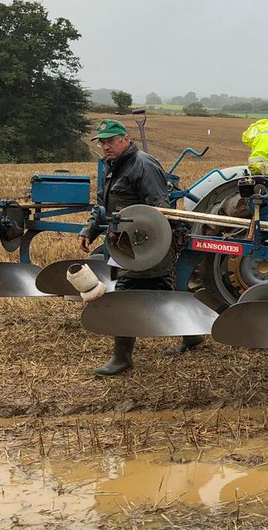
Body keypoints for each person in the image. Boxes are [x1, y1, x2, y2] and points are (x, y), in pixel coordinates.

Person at [79, 120, 202, 375]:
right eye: (102, 143)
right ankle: (193, 336)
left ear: (125, 139)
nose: (105, 147)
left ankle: (122, 358)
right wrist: (89, 229)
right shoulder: (112, 166)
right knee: (164, 292)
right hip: (125, 243)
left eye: (110, 141)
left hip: (144, 244)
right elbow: (102, 205)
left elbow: (160, 209)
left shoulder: (142, 165)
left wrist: (152, 247)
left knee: (126, 295)